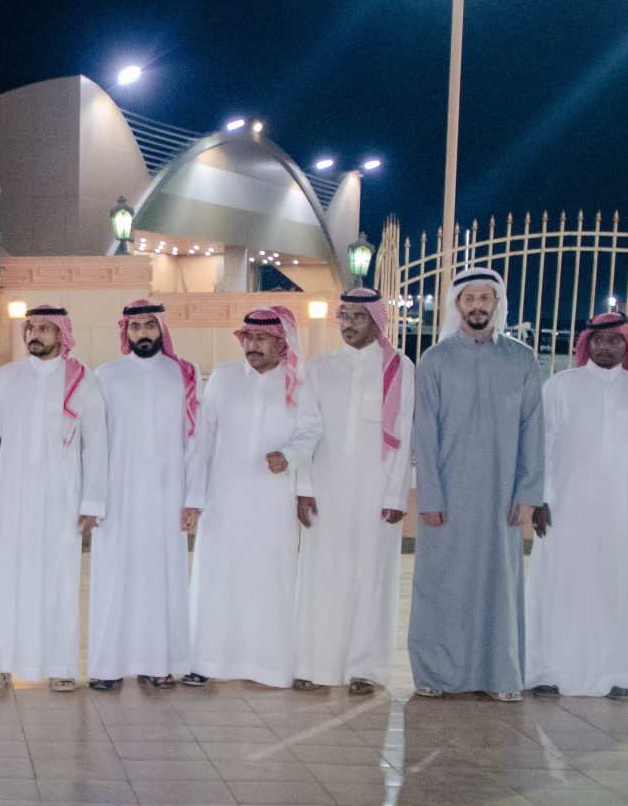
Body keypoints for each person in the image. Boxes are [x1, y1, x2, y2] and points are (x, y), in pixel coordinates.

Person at [409, 265, 545, 701]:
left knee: (499, 586)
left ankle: (500, 675)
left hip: (502, 496)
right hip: (448, 497)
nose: (478, 306)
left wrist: (528, 493)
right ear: (457, 305)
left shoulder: (521, 359)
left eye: (486, 298)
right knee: (442, 583)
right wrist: (430, 495)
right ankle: (436, 673)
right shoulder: (435, 360)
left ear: (497, 304)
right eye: (470, 298)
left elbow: (533, 431)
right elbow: (424, 435)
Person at [182, 305, 323, 689]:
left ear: (281, 343)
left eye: (262, 338)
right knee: (216, 579)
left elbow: (311, 430)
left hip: (272, 500)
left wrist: (290, 455)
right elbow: (203, 438)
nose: (252, 345)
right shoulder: (224, 377)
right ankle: (206, 661)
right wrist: (194, 494)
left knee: (269, 579)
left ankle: (268, 667)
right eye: (248, 337)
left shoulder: (298, 383)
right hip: (223, 498)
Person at [0, 304, 104, 691]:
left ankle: (61, 667)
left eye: (45, 328)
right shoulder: (8, 378)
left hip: (62, 497)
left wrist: (92, 502)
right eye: (31, 327)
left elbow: (96, 446)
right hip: (9, 495)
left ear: (62, 334)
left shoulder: (82, 381)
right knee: (3, 577)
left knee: (59, 579)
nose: (35, 335)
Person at [293, 287, 414, 695]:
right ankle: (313, 663)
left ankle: (366, 668)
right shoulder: (319, 367)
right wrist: (304, 487)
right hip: (326, 487)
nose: (347, 324)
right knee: (322, 574)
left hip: (376, 489)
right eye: (343, 315)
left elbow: (404, 435)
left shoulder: (399, 368)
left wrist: (396, 495)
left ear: (377, 321)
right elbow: (306, 430)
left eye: (358, 316)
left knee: (371, 576)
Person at [528, 311, 628, 698]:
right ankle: (547, 671)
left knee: (616, 585)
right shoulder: (561, 386)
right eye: (598, 340)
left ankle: (618, 673)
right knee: (560, 584)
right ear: (586, 344)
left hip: (622, 508)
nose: (605, 347)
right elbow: (543, 446)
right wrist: (540, 498)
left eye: (615, 341)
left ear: (627, 345)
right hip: (566, 505)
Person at [86, 299, 199, 691]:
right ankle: (107, 666)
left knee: (162, 580)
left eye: (150, 325)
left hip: (168, 495)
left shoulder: (184, 374)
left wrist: (193, 498)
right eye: (135, 327)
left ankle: (158, 663)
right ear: (126, 332)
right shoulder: (106, 375)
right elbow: (94, 442)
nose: (142, 334)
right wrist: (93, 498)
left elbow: (195, 441)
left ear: (161, 328)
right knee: (113, 578)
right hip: (118, 496)